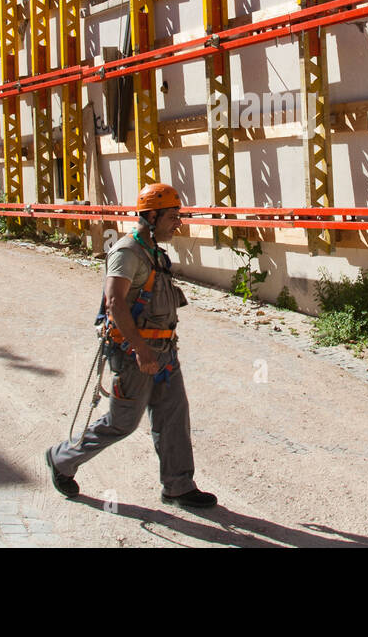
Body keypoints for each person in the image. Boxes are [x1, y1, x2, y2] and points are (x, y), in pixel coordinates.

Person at [46, 182, 217, 509]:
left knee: (173, 416)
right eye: (172, 216)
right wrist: (140, 349)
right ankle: (61, 459)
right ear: (151, 216)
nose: (177, 222)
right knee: (121, 423)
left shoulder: (154, 252)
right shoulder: (127, 252)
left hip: (164, 352)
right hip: (135, 355)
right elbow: (115, 303)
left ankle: (178, 486)